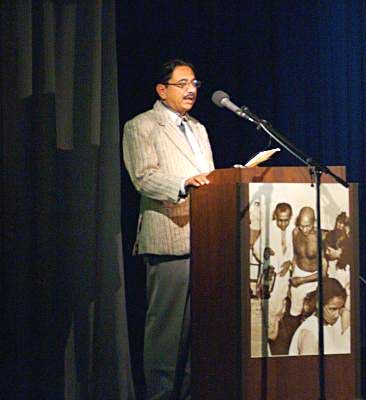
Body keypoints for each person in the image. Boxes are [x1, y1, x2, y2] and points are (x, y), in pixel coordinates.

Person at [122, 59, 214, 399]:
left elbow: (208, 176)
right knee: (167, 332)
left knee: (197, 333)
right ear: (162, 90)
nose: (191, 89)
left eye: (194, 82)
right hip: (168, 238)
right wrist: (183, 183)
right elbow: (144, 177)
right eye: (182, 83)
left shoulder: (199, 129)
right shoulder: (141, 126)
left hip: (206, 238)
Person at [288, 277, 350, 355]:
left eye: (340, 308)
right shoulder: (310, 334)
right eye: (333, 309)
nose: (337, 315)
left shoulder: (337, 319)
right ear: (318, 304)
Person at [289, 206, 327, 317]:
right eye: (301, 226)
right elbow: (295, 255)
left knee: (311, 314)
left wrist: (302, 280)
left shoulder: (321, 238)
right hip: (297, 276)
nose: (304, 229)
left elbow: (323, 273)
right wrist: (292, 273)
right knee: (294, 312)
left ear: (314, 222)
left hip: (313, 279)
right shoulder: (295, 232)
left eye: (307, 226)